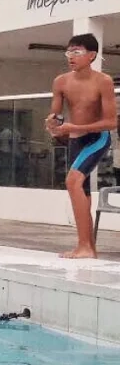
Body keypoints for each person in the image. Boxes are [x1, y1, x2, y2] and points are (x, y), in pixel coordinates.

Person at [46, 33, 117, 259]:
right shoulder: (61, 81)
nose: (71, 57)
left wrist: (73, 125)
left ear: (92, 55)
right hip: (75, 140)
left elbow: (112, 122)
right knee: (82, 192)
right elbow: (55, 115)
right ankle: (87, 247)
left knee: (72, 181)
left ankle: (85, 246)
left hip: (97, 139)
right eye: (68, 52)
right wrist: (53, 124)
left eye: (77, 52)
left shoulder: (103, 81)